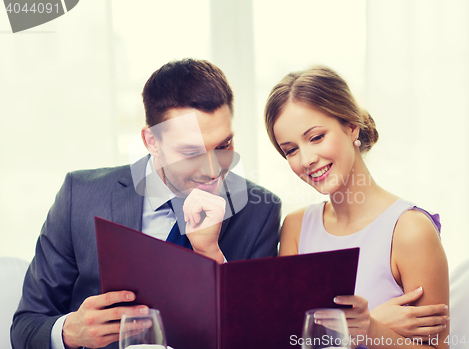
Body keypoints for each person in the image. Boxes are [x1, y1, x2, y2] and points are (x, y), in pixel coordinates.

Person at [11, 58, 281, 349]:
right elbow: (26, 328)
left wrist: (211, 254)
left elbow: (260, 338)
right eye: (191, 152)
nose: (213, 171)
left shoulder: (259, 211)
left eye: (223, 146)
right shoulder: (80, 197)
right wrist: (69, 332)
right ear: (151, 142)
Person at [264, 65, 449, 348]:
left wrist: (371, 329)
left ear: (352, 126)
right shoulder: (295, 228)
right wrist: (365, 325)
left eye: (316, 137)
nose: (306, 159)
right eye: (291, 150)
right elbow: (288, 341)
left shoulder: (410, 231)